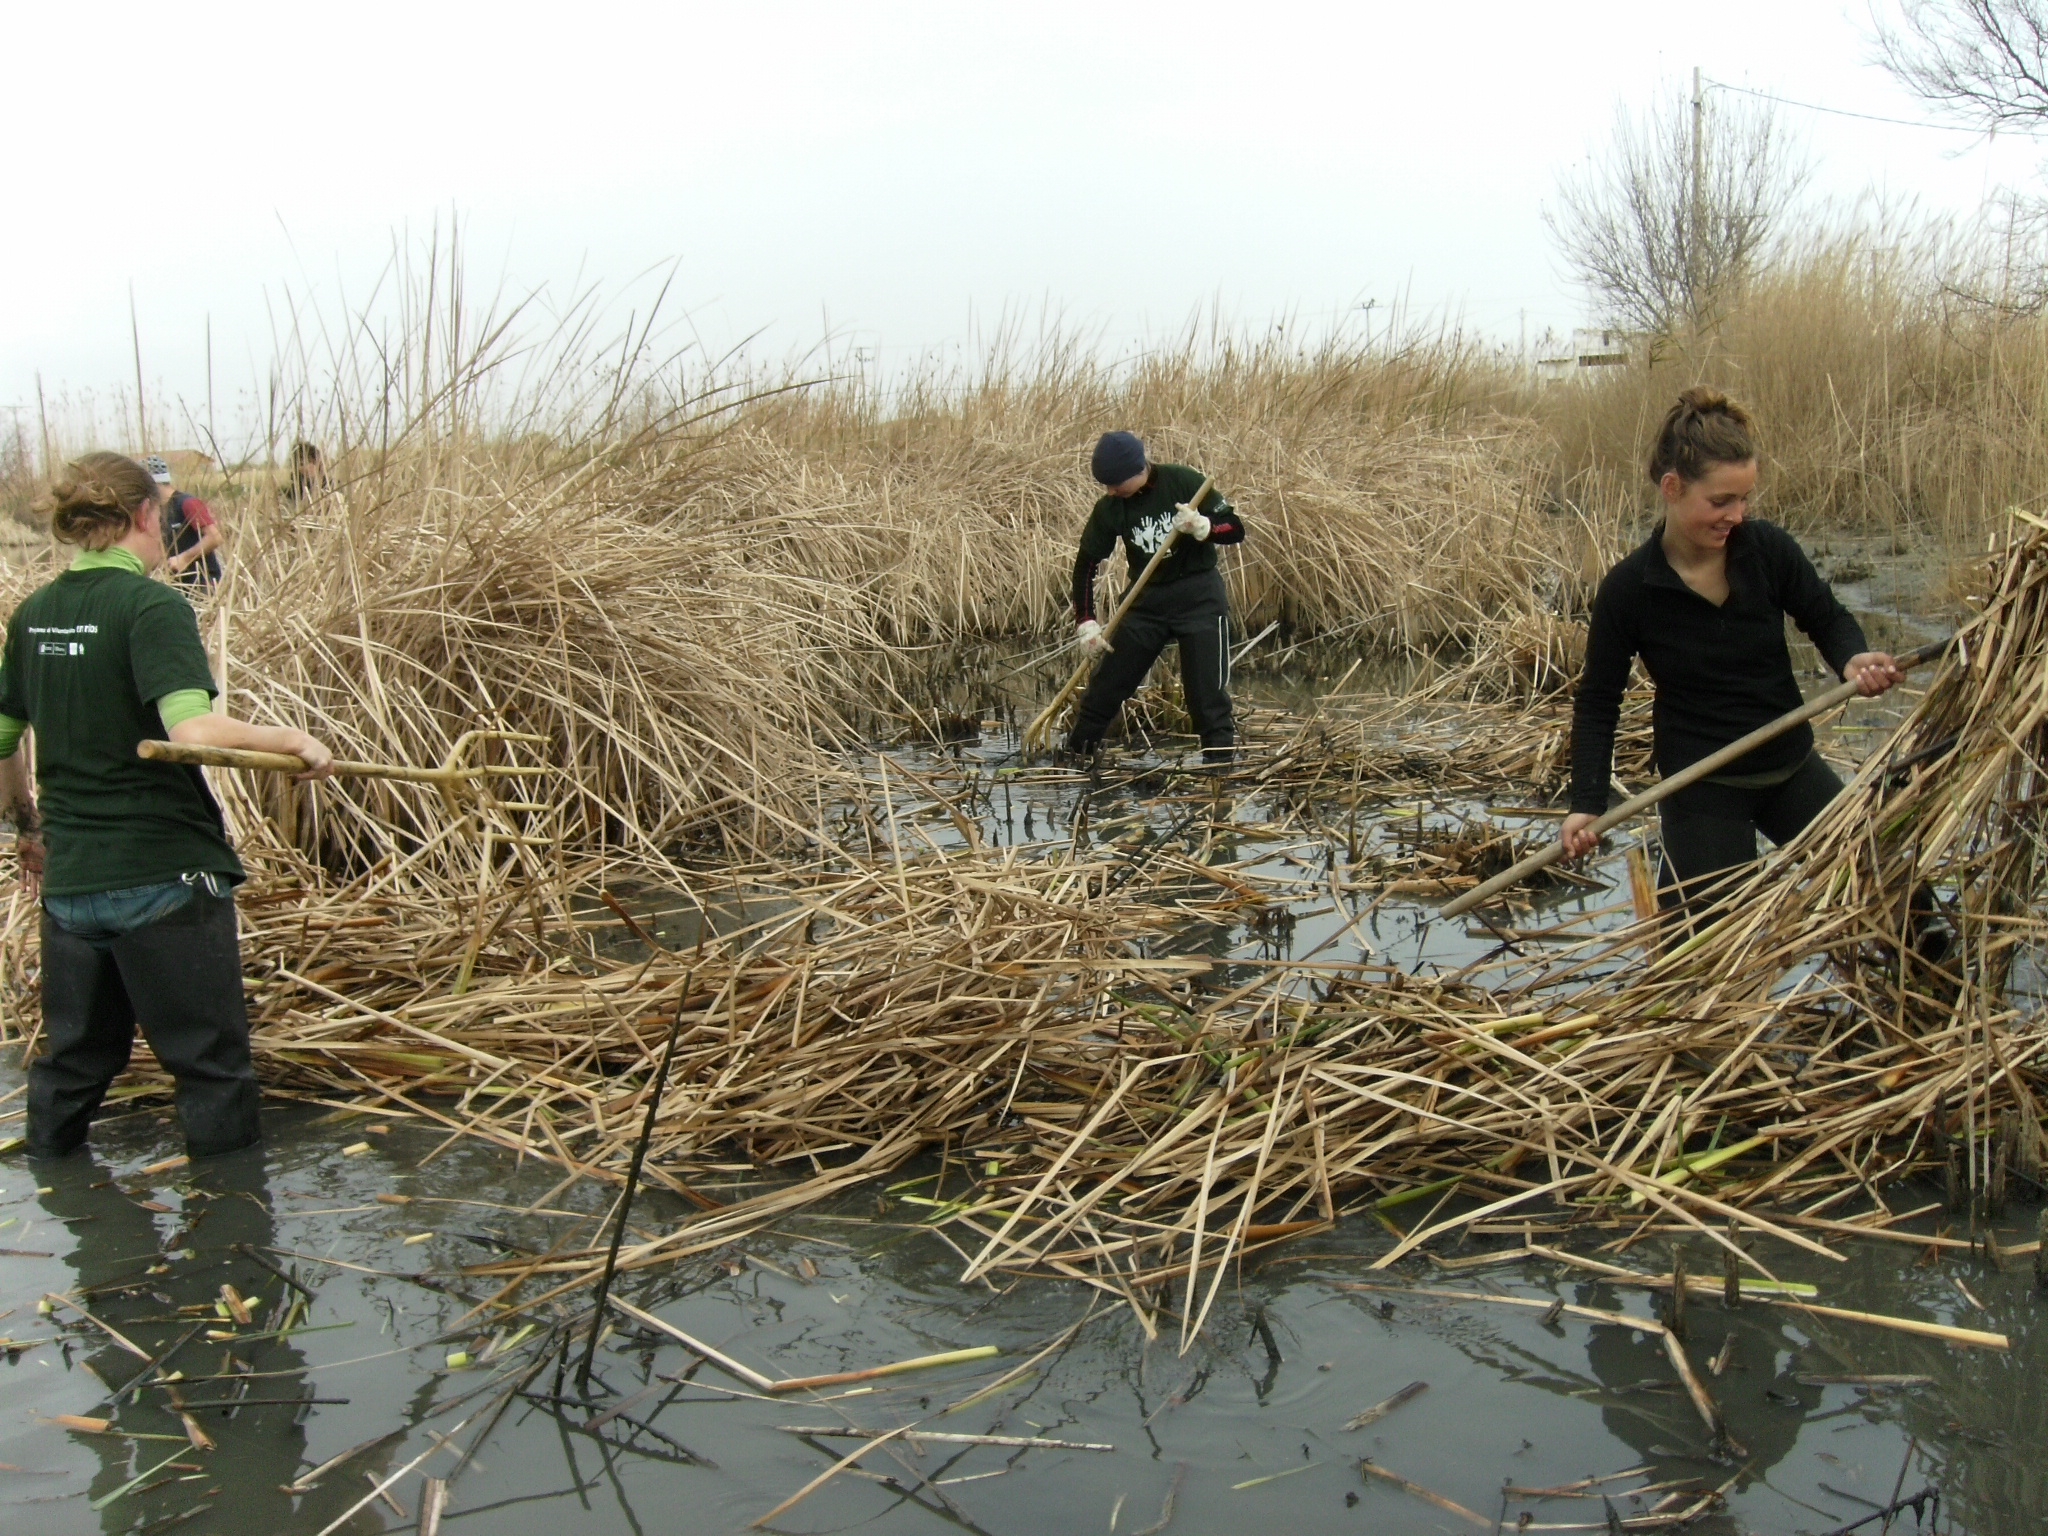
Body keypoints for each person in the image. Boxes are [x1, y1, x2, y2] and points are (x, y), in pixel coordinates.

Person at [0, 452, 333, 1161]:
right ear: (146, 516)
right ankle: (232, 1241)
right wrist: (295, 739)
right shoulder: (151, 605)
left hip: (72, 890)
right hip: (164, 877)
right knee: (210, 1070)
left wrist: (27, 825)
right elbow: (192, 731)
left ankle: (62, 1198)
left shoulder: (35, 614)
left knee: (73, 1062)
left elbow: (3, 738)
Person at [1561, 389, 1902, 905]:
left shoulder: (1766, 550)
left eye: (1744, 499)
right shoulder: (1629, 589)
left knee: (1888, 888)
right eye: (1721, 501)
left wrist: (1852, 658)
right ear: (1673, 488)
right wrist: (1586, 801)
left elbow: (1826, 616)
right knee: (1703, 951)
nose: (1736, 515)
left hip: (1789, 764)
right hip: (1701, 787)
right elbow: (1598, 702)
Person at [1064, 431, 1245, 765]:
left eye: (1116, 483)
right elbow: (1086, 565)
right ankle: (1074, 759)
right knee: (1105, 688)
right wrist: (1086, 623)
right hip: (1147, 602)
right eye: (1105, 485)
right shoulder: (1111, 508)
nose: (1110, 491)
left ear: (1138, 469)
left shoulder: (1184, 482)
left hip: (1199, 598)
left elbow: (1234, 528)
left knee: (1207, 697)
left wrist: (1204, 527)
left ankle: (1219, 774)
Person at [146, 453, 224, 589]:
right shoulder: (157, 510)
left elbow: (215, 537)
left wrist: (185, 558)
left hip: (203, 583)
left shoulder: (187, 503)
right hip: (178, 585)